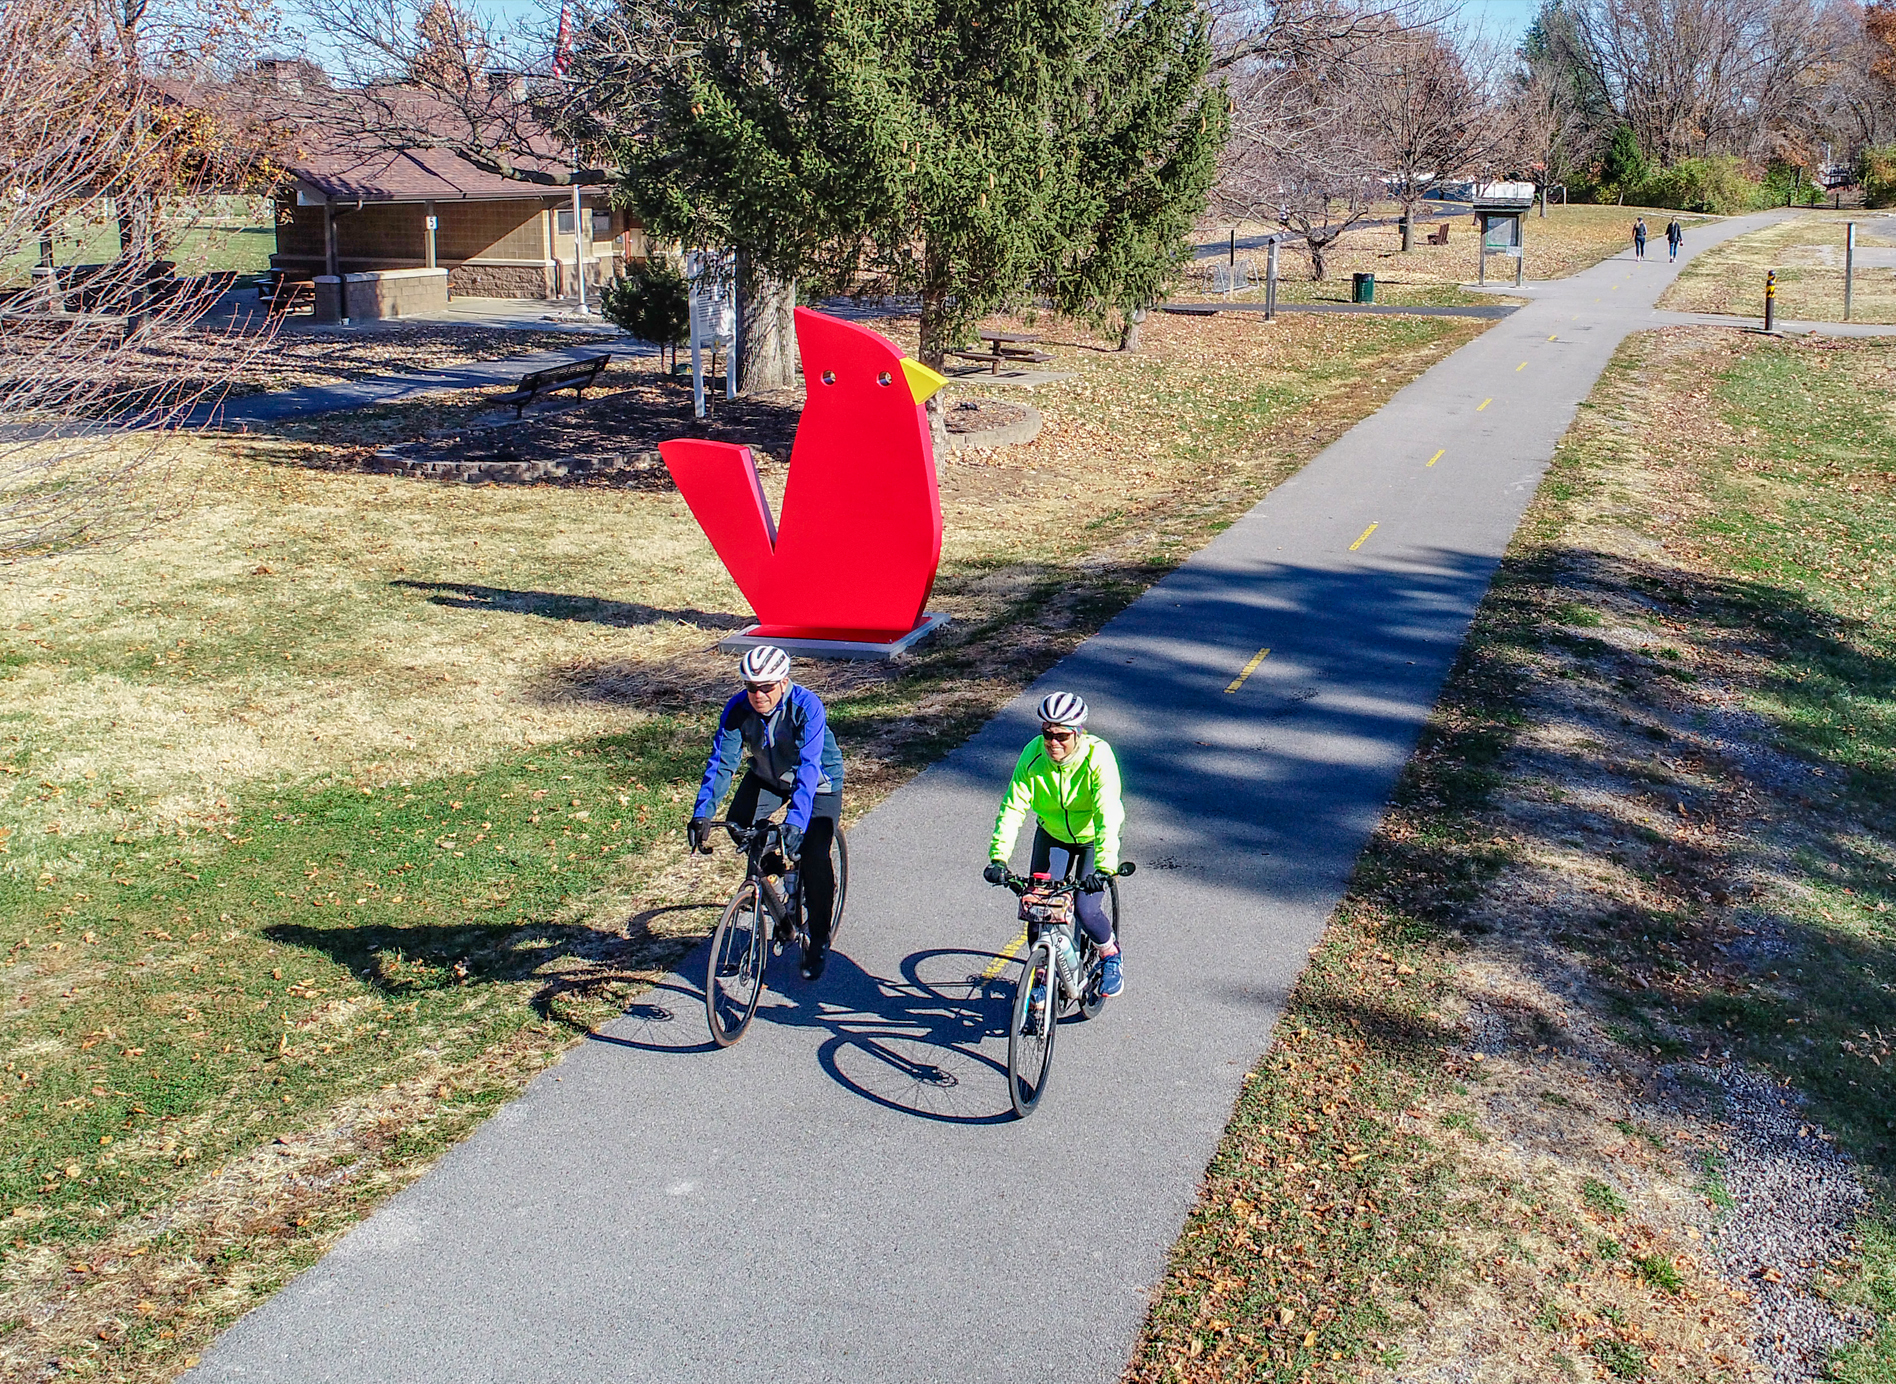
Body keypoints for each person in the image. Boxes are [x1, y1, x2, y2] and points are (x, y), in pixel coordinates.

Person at [688, 645, 844, 981]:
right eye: (750, 687)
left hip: (818, 784)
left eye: (766, 687)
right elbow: (722, 763)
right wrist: (702, 813)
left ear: (784, 681)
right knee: (738, 825)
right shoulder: (737, 709)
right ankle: (776, 869)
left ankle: (818, 938)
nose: (758, 695)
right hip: (767, 777)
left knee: (815, 855)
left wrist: (796, 822)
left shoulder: (807, 706)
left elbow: (809, 765)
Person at [984, 691, 1127, 998]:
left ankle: (1110, 954)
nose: (1053, 743)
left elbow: (1107, 813)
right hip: (1052, 835)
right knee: (1037, 911)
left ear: (1078, 733)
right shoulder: (1033, 755)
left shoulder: (1097, 757)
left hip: (1090, 839)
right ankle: (1041, 977)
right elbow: (1013, 807)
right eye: (1047, 734)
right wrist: (998, 859)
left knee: (1086, 910)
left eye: (1062, 736)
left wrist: (1104, 867)